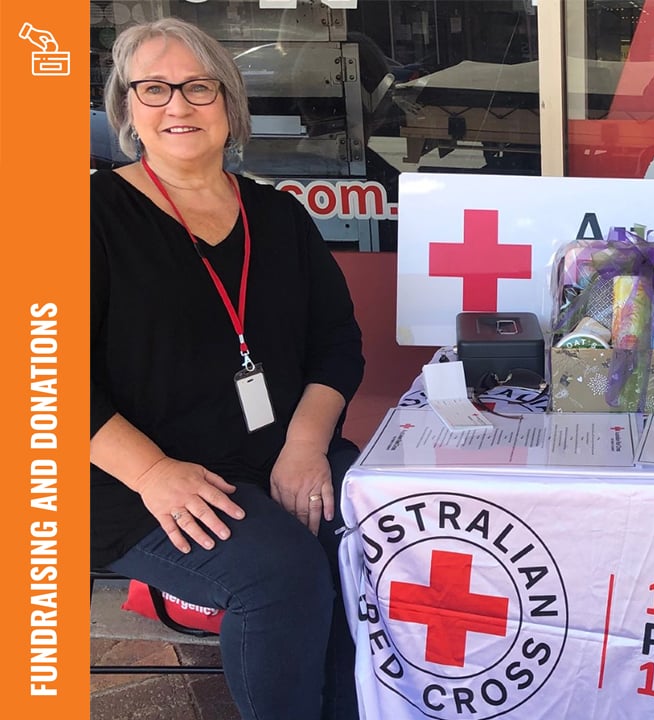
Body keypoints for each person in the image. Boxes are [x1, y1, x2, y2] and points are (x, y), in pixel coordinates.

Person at [90, 18, 364, 720]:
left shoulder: (280, 217)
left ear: (231, 106)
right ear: (125, 109)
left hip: (276, 452)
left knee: (372, 537)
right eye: (154, 89)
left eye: (198, 88)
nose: (178, 106)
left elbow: (338, 345)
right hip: (137, 480)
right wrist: (154, 474)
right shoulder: (84, 218)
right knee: (278, 572)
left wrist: (305, 447)